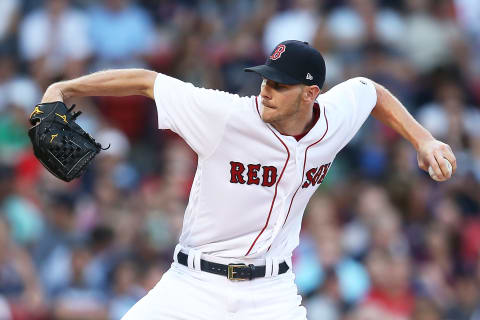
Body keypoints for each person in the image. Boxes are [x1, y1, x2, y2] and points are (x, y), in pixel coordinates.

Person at [40, 40, 456, 319]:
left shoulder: (334, 118)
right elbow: (148, 83)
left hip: (271, 293)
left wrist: (423, 139)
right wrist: (66, 87)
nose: (266, 90)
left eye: (279, 84)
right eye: (265, 79)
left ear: (310, 95)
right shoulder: (226, 115)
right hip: (195, 285)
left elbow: (372, 92)